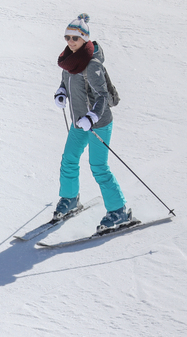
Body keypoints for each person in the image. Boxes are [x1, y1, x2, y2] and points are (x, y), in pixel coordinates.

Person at [53, 13, 132, 231]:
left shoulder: (92, 65)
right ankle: (69, 198)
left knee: (98, 166)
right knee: (69, 158)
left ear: (85, 39)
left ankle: (119, 210)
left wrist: (93, 117)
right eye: (67, 37)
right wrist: (61, 93)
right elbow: (65, 81)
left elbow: (102, 97)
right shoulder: (69, 60)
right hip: (79, 121)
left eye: (75, 38)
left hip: (98, 124)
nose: (70, 42)